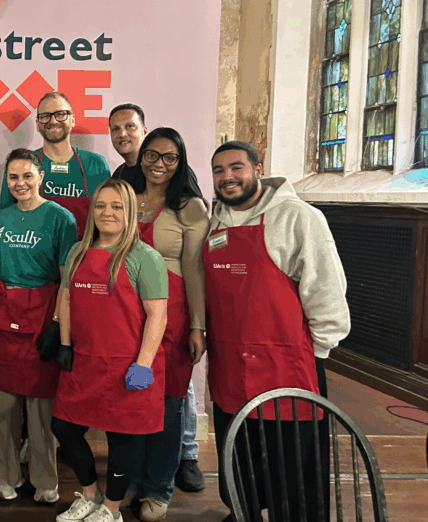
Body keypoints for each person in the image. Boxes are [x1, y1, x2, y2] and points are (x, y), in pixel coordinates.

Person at [205, 141, 349, 522]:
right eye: (219, 171)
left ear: (257, 168)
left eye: (236, 167)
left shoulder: (299, 217)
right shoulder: (214, 220)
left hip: (287, 365)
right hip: (230, 364)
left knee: (294, 466)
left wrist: (317, 350)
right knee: (238, 454)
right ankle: (244, 512)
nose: (227, 177)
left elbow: (326, 290)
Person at [51, 178, 169, 522]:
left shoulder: (146, 258)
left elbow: (157, 315)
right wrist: (64, 343)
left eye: (117, 206)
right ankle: (90, 494)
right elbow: (68, 297)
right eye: (101, 205)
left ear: (130, 211)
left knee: (122, 440)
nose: (107, 212)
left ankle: (111, 510)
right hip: (85, 360)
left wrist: (144, 364)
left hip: (126, 365)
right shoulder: (77, 252)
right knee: (64, 428)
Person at [0, 148, 78, 504]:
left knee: (40, 406)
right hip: (2, 315)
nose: (20, 183)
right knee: (1, 404)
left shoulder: (60, 218)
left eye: (27, 176)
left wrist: (57, 323)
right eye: (13, 177)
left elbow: (67, 279)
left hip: (41, 313)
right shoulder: (2, 219)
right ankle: (4, 476)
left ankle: (45, 479)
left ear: (41, 178)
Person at [123, 128, 209, 521]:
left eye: (169, 157)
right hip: (125, 314)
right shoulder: (126, 197)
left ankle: (158, 486)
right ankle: (131, 480)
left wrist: (197, 326)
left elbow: (194, 269)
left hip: (172, 314)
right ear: (141, 157)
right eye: (152, 155)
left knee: (168, 404)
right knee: (130, 399)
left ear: (180, 161)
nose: (159, 164)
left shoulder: (189, 207)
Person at [0, 92, 110, 237]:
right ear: (38, 124)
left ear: (72, 120)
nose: (53, 121)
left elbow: (109, 218)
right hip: (35, 257)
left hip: (84, 255)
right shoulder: (22, 165)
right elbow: (7, 219)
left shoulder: (96, 165)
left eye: (61, 114)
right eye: (45, 116)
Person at [108, 103, 147, 182]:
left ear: (144, 132)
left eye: (129, 126)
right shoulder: (118, 175)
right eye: (116, 129)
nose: (122, 134)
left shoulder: (159, 169)